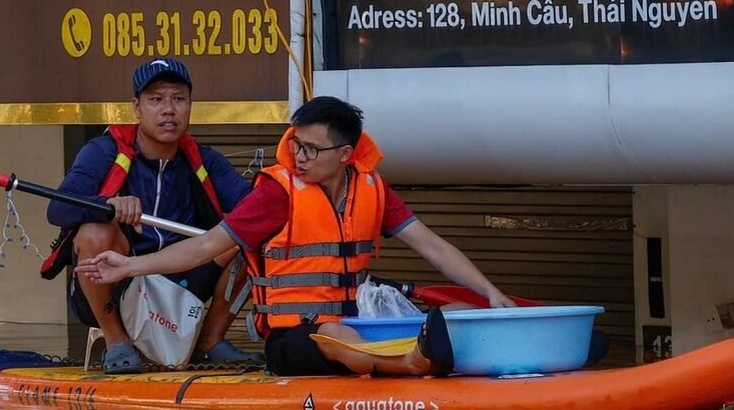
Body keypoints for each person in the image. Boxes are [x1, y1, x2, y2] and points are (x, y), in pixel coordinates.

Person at [75, 96, 516, 378]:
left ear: (345, 155)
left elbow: (434, 246)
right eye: (296, 144)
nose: (298, 157)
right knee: (337, 336)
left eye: (311, 149)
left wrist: (491, 294)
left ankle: (448, 354)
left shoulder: (372, 189)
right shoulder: (277, 193)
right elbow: (208, 246)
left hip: (358, 324)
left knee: (458, 311)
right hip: (294, 341)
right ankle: (408, 364)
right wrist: (131, 265)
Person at [44, 57, 263, 375]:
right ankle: (117, 341)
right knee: (94, 232)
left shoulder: (205, 160)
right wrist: (108, 205)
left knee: (248, 235)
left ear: (190, 105)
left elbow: (253, 208)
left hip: (185, 279)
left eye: (178, 99)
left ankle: (209, 342)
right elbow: (57, 210)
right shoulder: (103, 151)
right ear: (136, 107)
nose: (169, 110)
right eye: (156, 99)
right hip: (118, 284)